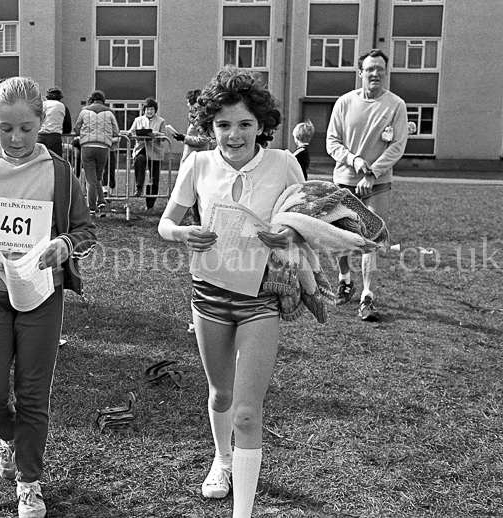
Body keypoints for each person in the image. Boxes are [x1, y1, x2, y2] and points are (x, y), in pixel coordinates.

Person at [157, 68, 305, 517]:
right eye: (223, 124)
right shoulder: (198, 164)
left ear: (262, 124)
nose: (234, 134)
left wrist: (288, 236)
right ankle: (222, 460)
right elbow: (165, 223)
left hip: (260, 299)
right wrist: (184, 233)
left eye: (244, 123)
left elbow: (306, 225)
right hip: (210, 295)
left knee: (246, 411)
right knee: (221, 395)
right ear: (210, 126)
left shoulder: (283, 163)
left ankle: (243, 511)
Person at [0, 76, 96, 518]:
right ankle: (11, 437)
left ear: (41, 122)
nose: (15, 138)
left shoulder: (59, 172)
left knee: (33, 395)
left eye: (26, 129)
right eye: (5, 128)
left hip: (42, 298)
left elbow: (85, 230)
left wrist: (64, 244)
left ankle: (29, 482)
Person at [326, 48, 408, 322]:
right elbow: (332, 142)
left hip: (378, 184)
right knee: (340, 237)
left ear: (386, 72)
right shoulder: (344, 102)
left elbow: (397, 145)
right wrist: (354, 160)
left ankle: (367, 298)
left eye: (380, 69)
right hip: (344, 181)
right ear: (360, 72)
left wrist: (372, 173)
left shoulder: (396, 105)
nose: (376, 74)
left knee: (371, 239)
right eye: (370, 69)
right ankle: (345, 279)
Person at [74, 89, 119, 217]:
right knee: (97, 177)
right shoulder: (109, 113)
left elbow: (76, 128)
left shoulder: (84, 112)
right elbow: (116, 131)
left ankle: (92, 209)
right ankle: (101, 202)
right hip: (103, 148)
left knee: (91, 180)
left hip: (87, 147)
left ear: (91, 100)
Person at [176, 88, 215, 225]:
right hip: (190, 157)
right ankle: (196, 220)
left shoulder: (201, 120)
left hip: (197, 158)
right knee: (190, 190)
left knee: (196, 191)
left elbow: (203, 140)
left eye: (189, 102)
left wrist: (184, 138)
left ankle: (198, 221)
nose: (188, 105)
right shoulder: (192, 118)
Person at [130, 97, 173, 210]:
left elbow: (164, 136)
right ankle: (139, 187)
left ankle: (150, 205)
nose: (149, 111)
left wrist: (155, 134)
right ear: (144, 110)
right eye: (147, 109)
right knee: (139, 160)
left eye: (151, 109)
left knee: (154, 178)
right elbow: (131, 131)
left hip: (155, 151)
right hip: (141, 148)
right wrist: (130, 134)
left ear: (155, 110)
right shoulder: (138, 120)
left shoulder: (161, 121)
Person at [37, 86, 71, 157]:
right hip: (54, 137)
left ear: (47, 96)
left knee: (39, 159)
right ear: (60, 97)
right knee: (55, 159)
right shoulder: (62, 106)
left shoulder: (42, 105)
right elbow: (67, 126)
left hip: (40, 136)